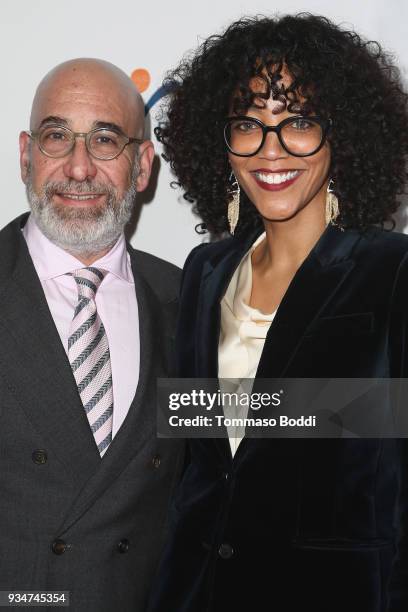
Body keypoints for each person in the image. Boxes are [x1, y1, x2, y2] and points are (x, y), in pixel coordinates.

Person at [149, 14, 408, 612]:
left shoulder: (392, 273)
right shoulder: (203, 272)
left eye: (300, 122)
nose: (272, 150)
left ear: (341, 134)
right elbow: (199, 463)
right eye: (248, 125)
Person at [0, 58, 184, 612]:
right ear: (28, 156)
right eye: (58, 137)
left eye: (105, 140)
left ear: (143, 165)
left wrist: (379, 405)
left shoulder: (190, 300)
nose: (79, 169)